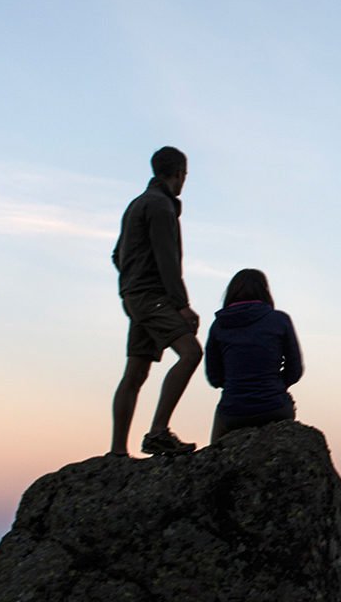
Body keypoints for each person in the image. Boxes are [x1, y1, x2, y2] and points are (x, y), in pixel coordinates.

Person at [108, 146, 202, 456]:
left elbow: (116, 255)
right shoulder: (160, 206)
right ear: (179, 174)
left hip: (135, 298)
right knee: (190, 353)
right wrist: (180, 304)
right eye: (184, 175)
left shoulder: (136, 205)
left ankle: (118, 451)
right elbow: (167, 260)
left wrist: (130, 283)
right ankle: (158, 431)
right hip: (152, 298)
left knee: (135, 372)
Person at [204, 268, 304, 443]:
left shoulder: (219, 325)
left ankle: (214, 458)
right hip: (275, 408)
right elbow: (294, 370)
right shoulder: (279, 320)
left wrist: (237, 384)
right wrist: (274, 385)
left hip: (233, 412)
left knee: (221, 416)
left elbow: (214, 378)